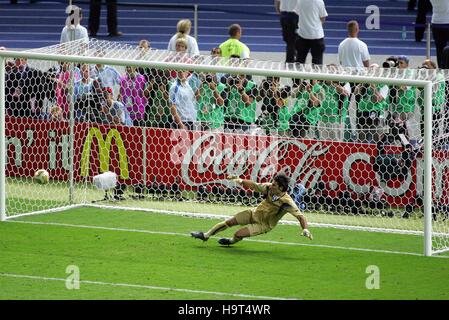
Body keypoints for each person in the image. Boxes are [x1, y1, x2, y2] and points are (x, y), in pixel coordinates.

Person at [190, 173, 313, 246]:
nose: (271, 184)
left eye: (274, 184)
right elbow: (254, 185)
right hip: (254, 213)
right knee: (230, 222)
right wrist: (241, 180)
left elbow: (301, 217)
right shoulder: (269, 188)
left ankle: (231, 241)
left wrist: (305, 229)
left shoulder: (287, 202)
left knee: (238, 234)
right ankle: (205, 235)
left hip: (263, 224)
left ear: (281, 188)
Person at [294, 0, 328, 65]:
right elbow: (323, 18)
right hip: (317, 36)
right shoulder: (319, 1)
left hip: (302, 35)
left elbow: (298, 13)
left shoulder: (300, 1)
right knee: (317, 63)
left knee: (299, 62)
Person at [430, 0, 449, 68]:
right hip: (446, 21)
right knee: (440, 49)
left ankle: (441, 68)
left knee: (439, 49)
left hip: (436, 22)